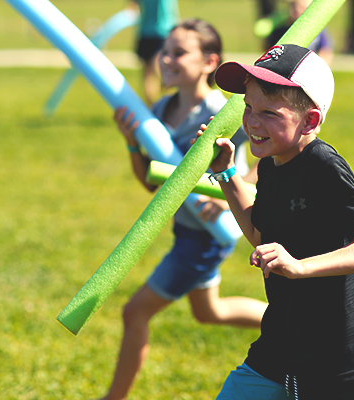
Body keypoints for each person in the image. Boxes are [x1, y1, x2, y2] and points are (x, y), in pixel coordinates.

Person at [195, 44, 354, 399]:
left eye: (269, 112)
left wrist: (298, 267)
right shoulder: (271, 164)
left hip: (335, 355)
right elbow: (258, 232)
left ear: (310, 121)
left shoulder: (324, 166)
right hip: (282, 342)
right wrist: (225, 173)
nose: (252, 121)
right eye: (248, 107)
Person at [99, 19, 267, 400]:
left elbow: (266, 158)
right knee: (209, 313)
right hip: (185, 229)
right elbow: (152, 185)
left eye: (179, 52)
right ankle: (293, 322)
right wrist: (132, 145)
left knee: (134, 312)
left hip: (209, 234)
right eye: (165, 51)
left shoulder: (225, 113)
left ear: (210, 61)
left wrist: (225, 192)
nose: (166, 59)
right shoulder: (161, 108)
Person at [130, 0, 179, 105]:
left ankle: (152, 111)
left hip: (144, 32)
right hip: (163, 32)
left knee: (149, 76)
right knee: (167, 76)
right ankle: (167, 111)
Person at [264, 0, 334, 65]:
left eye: (302, 8)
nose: (296, 11)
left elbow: (326, 51)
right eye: (293, 7)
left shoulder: (318, 29)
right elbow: (268, 50)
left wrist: (318, 68)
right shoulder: (281, 30)